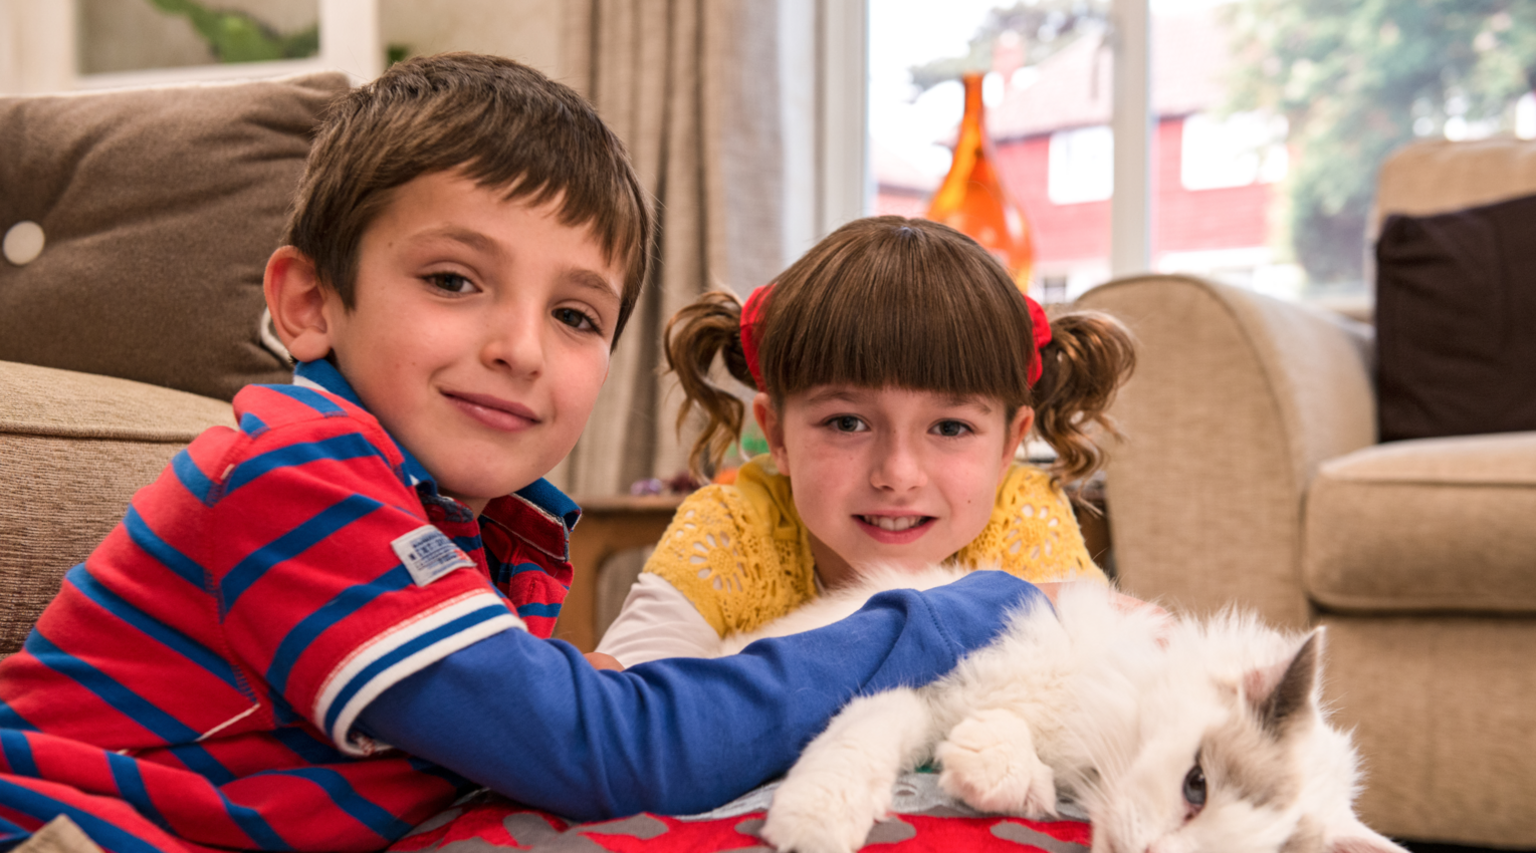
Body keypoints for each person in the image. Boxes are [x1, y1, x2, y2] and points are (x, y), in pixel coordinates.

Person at [0, 56, 1050, 853]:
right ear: (311, 303)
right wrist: (941, 613)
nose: (518, 347)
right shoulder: (293, 478)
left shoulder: (474, 516)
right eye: (455, 280)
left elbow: (528, 715)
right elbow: (601, 748)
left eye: (577, 315)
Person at [597, 216, 1137, 666]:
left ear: (1007, 446)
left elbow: (1114, 674)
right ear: (777, 435)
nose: (898, 474)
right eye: (848, 423)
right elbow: (625, 705)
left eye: (950, 428)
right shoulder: (731, 531)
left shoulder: (1026, 524)